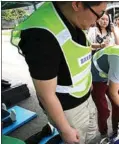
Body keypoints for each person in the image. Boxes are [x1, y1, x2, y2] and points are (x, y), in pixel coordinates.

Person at [11, 2, 107, 144]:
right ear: (77, 4)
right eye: (99, 13)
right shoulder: (41, 34)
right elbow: (45, 94)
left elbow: (74, 56)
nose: (98, 21)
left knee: (90, 136)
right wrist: (64, 129)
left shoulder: (74, 18)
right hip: (69, 109)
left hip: (86, 97)